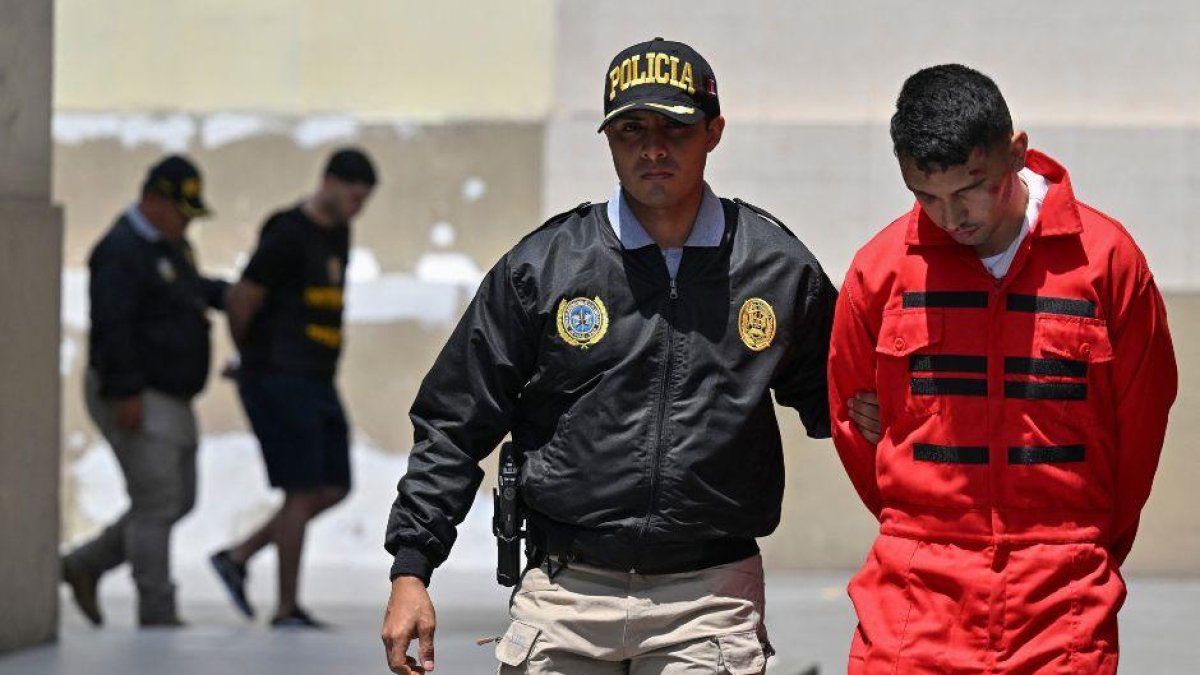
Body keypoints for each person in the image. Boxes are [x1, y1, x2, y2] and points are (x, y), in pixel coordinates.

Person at [380, 38, 839, 675]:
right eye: (631, 129)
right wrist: (411, 567)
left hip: (710, 599)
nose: (653, 148)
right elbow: (456, 421)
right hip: (564, 591)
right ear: (609, 140)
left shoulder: (776, 269)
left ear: (713, 132)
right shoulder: (544, 267)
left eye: (675, 128)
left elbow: (853, 404)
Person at [828, 64, 1177, 673]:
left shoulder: (1107, 264)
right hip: (913, 598)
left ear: (1016, 152)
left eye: (970, 188)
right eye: (925, 196)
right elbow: (855, 431)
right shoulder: (880, 273)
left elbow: (1138, 434)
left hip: (1062, 600)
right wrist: (921, 523)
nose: (950, 216)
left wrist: (1080, 543)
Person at [208, 148, 377, 628]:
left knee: (334, 485)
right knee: (301, 490)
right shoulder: (286, 233)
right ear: (328, 182)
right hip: (279, 375)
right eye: (352, 197)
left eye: (364, 201)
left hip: (318, 377)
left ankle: (238, 557)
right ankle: (285, 607)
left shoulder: (340, 231)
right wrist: (249, 359)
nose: (357, 208)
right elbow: (242, 300)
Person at [60, 155, 228, 628]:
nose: (187, 223)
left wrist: (226, 295)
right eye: (181, 212)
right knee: (157, 501)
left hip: (172, 394)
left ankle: (86, 563)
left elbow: (187, 290)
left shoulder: (171, 244)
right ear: (153, 201)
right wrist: (125, 393)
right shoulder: (119, 250)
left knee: (178, 498)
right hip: (136, 389)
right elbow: (111, 327)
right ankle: (157, 609)